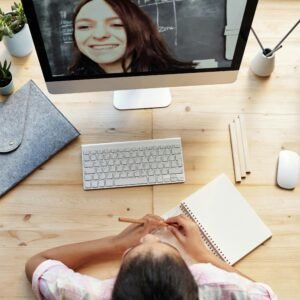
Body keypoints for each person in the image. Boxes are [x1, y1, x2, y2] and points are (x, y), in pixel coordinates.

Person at [25, 214, 277, 299]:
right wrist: (201, 254)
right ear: (192, 280)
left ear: (115, 283)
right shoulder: (217, 285)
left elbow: (38, 264)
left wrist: (116, 243)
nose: (150, 237)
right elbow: (264, 294)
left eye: (135, 250)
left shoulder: (92, 295)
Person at [69, 0, 195, 75]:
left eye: (116, 24)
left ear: (139, 30)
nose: (99, 35)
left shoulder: (179, 78)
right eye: (84, 27)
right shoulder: (71, 87)